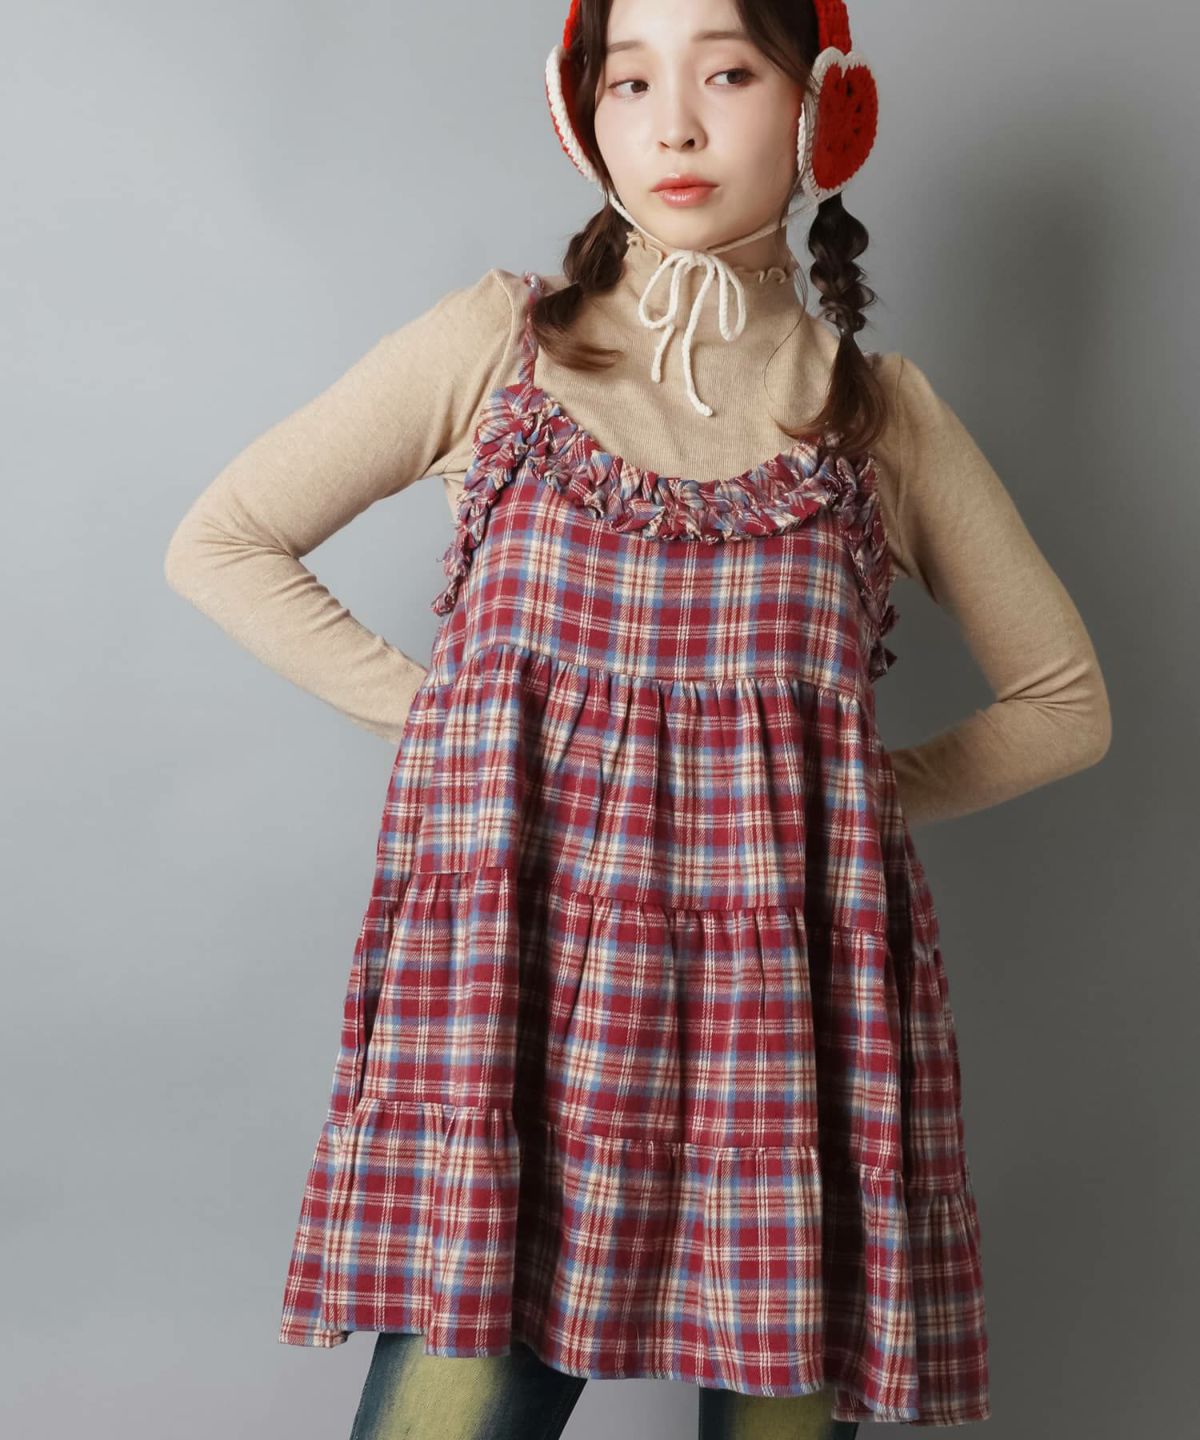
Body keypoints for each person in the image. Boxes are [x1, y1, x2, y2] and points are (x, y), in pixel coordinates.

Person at [163, 0, 1112, 1435]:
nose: (673, 123)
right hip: (522, 1016)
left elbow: (1063, 704)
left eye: (727, 71)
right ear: (582, 116)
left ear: (823, 111)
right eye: (627, 82)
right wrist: (457, 730)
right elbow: (223, 543)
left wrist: (826, 806)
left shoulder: (877, 416)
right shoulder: (500, 349)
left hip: (779, 1042)